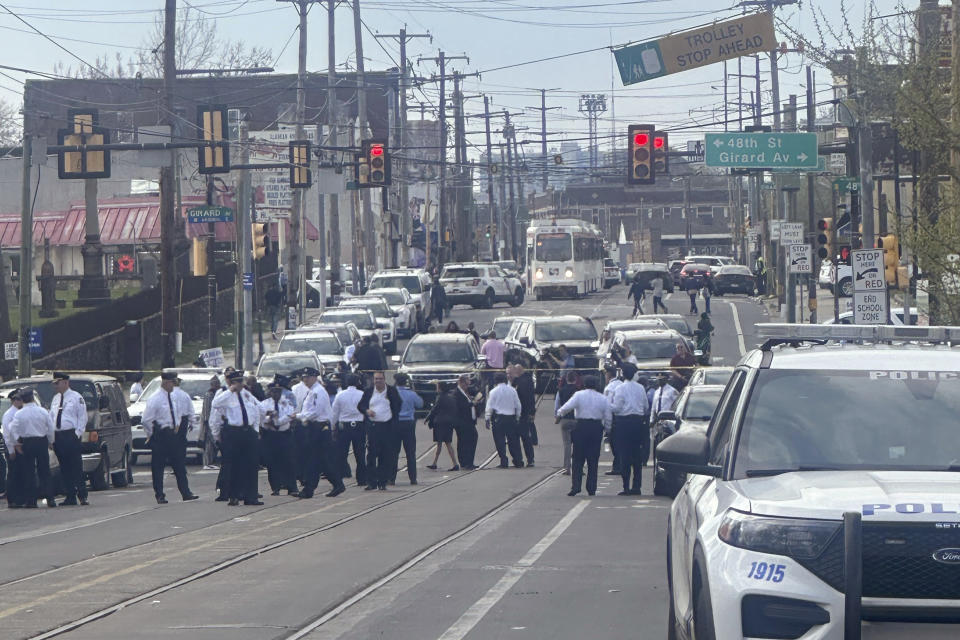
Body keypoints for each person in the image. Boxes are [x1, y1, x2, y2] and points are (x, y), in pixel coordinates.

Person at [142, 372, 199, 504]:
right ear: (166, 382)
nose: (174, 385)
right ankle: (160, 494)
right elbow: (146, 420)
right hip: (161, 435)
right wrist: (152, 434)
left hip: (174, 435)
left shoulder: (172, 397)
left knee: (179, 464)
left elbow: (177, 414)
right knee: (158, 467)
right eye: (172, 383)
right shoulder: (155, 399)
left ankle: (186, 492)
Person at [211, 370, 266, 506]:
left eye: (241, 381)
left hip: (248, 431)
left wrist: (256, 429)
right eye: (237, 382)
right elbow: (215, 404)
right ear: (231, 382)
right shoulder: (226, 395)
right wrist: (230, 391)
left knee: (252, 464)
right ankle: (233, 496)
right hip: (234, 432)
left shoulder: (247, 394)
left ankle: (251, 496)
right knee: (235, 465)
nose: (240, 385)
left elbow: (260, 408)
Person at [556, 375, 612, 497]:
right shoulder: (603, 398)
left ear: (584, 384)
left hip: (581, 426)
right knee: (593, 460)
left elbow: (566, 407)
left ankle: (576, 487)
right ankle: (591, 488)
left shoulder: (579, 395)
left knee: (577, 459)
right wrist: (608, 429)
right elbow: (608, 417)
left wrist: (559, 413)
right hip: (596, 428)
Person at [293, 367, 344, 498]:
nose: (305, 380)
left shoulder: (318, 392)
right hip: (313, 428)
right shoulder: (312, 391)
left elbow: (315, 412)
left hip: (319, 428)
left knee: (317, 459)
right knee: (318, 459)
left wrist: (297, 416)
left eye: (308, 377)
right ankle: (334, 484)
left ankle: (311, 488)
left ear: (315, 377)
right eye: (303, 378)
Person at [9, 390, 56, 509]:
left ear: (23, 400)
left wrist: (17, 443)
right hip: (41, 441)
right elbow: (50, 427)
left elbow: (12, 429)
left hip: (27, 442)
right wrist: (51, 441)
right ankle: (50, 499)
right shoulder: (43, 411)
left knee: (29, 472)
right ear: (32, 398)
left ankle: (31, 501)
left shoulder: (19, 414)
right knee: (44, 471)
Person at [49, 372, 89, 506]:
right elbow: (51, 417)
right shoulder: (55, 399)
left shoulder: (76, 397)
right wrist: (51, 437)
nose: (56, 386)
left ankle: (82, 495)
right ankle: (70, 495)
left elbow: (82, 417)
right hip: (58, 436)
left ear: (65, 382)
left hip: (71, 435)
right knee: (64, 468)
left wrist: (77, 434)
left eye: (57, 383)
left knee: (76, 466)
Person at [357, 371, 402, 490]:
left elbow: (398, 405)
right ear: (373, 380)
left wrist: (393, 419)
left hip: (387, 427)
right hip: (373, 427)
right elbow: (360, 406)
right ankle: (371, 482)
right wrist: (367, 411)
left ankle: (382, 481)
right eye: (376, 379)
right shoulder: (368, 391)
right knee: (371, 455)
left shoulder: (391, 391)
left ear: (384, 379)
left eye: (380, 379)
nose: (378, 381)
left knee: (386, 455)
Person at [611, 363, 649, 495]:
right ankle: (637, 486)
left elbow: (616, 408)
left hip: (624, 423)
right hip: (638, 422)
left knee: (624, 455)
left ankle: (626, 486)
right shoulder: (640, 388)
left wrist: (607, 405)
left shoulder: (620, 388)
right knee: (637, 455)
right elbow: (645, 407)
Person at [259, 378, 299, 497]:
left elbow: (289, 416)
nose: (276, 393)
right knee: (272, 462)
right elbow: (261, 419)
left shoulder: (287, 402)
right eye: (274, 391)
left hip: (284, 434)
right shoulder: (264, 404)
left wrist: (276, 421)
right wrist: (268, 419)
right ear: (270, 392)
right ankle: (275, 487)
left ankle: (292, 487)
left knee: (288, 461)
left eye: (278, 391)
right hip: (270, 435)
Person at [330, 374, 367, 486]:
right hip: (359, 426)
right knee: (360, 454)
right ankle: (362, 479)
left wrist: (332, 427)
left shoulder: (340, 395)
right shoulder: (362, 394)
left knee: (341, 454)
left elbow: (335, 413)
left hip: (344, 427)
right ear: (358, 382)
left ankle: (339, 478)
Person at [485, 372, 523, 468]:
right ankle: (518, 460)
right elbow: (518, 405)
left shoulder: (493, 392)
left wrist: (487, 418)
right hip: (511, 418)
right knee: (514, 440)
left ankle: (504, 461)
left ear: (496, 381)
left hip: (499, 419)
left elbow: (489, 406)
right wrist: (517, 417)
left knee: (499, 441)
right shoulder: (512, 390)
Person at [391, 373, 424, 485]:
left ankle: (391, 478)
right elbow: (420, 404)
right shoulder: (411, 394)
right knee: (410, 452)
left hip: (395, 424)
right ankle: (413, 478)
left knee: (394, 452)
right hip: (408, 424)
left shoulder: (392, 394)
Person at [426, 382, 459, 471]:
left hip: (440, 423)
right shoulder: (452, 398)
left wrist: (428, 418)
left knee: (441, 443)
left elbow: (435, 409)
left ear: (440, 388)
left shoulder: (440, 398)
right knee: (446, 443)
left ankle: (454, 463)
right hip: (449, 423)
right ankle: (436, 462)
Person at [452, 374, 482, 470]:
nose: (467, 385)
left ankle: (469, 462)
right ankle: (465, 462)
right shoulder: (456, 393)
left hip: (470, 421)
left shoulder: (466, 391)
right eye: (466, 383)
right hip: (462, 422)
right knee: (464, 441)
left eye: (468, 383)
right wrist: (471, 403)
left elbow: (478, 393)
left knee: (471, 439)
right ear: (460, 382)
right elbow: (460, 406)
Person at [510, 364, 537, 466]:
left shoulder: (525, 381)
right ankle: (521, 460)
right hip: (515, 414)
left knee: (525, 437)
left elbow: (530, 398)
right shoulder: (515, 382)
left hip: (523, 413)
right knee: (519, 438)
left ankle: (529, 459)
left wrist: (531, 412)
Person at [3, 389, 24, 508]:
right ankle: (12, 499)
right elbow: (7, 434)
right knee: (13, 474)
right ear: (13, 400)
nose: (20, 401)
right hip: (13, 448)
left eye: (21, 399)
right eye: (17, 399)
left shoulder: (20, 412)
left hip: (20, 447)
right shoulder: (9, 414)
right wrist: (11, 450)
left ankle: (19, 498)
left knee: (20, 473)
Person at [554, 372, 579, 475]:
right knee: (578, 444)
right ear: (575, 380)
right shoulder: (579, 391)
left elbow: (557, 405)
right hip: (577, 420)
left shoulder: (560, 391)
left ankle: (567, 467)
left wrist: (557, 416)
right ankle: (578, 467)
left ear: (566, 379)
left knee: (567, 444)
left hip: (565, 420)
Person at [602, 365, 623, 476]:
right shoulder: (621, 385)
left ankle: (617, 467)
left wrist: (607, 426)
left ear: (609, 374)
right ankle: (620, 465)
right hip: (623, 418)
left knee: (615, 445)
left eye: (605, 374)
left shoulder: (609, 388)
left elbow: (608, 407)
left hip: (614, 420)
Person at [201, 376, 224, 468]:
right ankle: (207, 462)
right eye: (215, 383)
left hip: (216, 421)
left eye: (218, 383)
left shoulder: (219, 393)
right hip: (209, 421)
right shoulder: (209, 394)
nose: (217, 385)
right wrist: (207, 421)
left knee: (215, 443)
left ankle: (212, 461)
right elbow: (207, 409)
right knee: (209, 443)